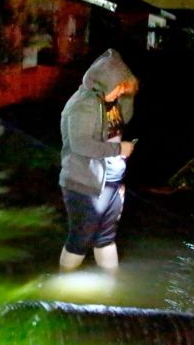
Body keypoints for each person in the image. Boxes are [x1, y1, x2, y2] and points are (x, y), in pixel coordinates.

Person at [58, 48, 139, 271]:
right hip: (84, 184)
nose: (119, 93)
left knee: (106, 237)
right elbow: (81, 145)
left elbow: (124, 119)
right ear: (104, 82)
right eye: (118, 88)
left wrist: (127, 95)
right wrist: (119, 148)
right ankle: (61, 288)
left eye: (123, 89)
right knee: (80, 239)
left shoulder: (111, 102)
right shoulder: (83, 105)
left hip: (111, 183)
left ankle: (112, 289)